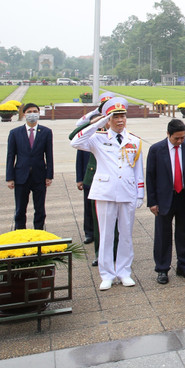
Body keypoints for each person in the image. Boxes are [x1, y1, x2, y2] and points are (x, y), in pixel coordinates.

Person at [71, 98, 144, 290]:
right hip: (105, 192)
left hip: (127, 191)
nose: (120, 121)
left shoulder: (134, 140)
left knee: (126, 234)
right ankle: (107, 274)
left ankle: (124, 271)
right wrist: (99, 122)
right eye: (116, 117)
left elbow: (138, 169)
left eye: (123, 117)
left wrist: (140, 194)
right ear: (109, 119)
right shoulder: (98, 138)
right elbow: (75, 141)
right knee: (106, 234)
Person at [146, 119, 185, 284]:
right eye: (176, 138)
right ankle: (162, 269)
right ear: (168, 134)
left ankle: (184, 266)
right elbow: (151, 177)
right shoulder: (156, 150)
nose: (180, 141)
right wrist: (152, 202)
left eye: (183, 137)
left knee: (184, 234)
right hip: (164, 198)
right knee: (163, 234)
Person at [70, 93, 117, 262]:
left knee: (106, 219)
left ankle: (107, 250)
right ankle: (89, 234)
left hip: (109, 180)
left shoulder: (112, 135)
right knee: (89, 210)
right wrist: (92, 121)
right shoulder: (91, 134)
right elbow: (74, 139)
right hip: (91, 176)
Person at [5, 102, 54, 230]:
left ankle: (39, 233)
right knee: (20, 209)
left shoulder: (46, 132)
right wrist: (10, 178)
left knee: (40, 209)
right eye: (29, 112)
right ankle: (20, 234)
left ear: (39, 113)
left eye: (35, 112)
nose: (32, 114)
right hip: (21, 176)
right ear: (24, 114)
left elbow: (49, 155)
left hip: (39, 176)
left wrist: (49, 175)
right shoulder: (15, 133)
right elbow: (11, 156)